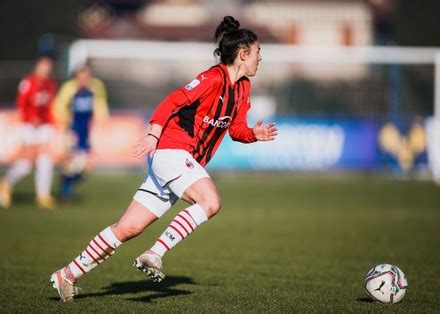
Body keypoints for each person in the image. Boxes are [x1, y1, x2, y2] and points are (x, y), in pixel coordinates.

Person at [50, 16, 278, 302]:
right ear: (243, 54)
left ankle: (67, 274)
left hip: (177, 160)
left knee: (127, 228)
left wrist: (253, 134)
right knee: (210, 202)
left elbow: (236, 129)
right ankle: (154, 253)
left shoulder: (243, 88)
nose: (260, 58)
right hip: (171, 151)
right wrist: (152, 136)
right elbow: (172, 101)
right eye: (258, 52)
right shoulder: (211, 78)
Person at [0, 56, 57, 209]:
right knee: (27, 163)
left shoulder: (50, 85)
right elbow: (21, 104)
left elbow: (49, 107)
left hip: (44, 125)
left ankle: (43, 195)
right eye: (43, 67)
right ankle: (6, 183)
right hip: (28, 126)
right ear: (37, 67)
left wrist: (52, 123)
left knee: (45, 160)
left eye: (48, 67)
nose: (45, 70)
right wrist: (31, 118)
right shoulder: (28, 82)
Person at [52, 64, 109, 201]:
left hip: (87, 132)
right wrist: (64, 121)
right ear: (76, 77)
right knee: (74, 163)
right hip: (73, 132)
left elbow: (100, 103)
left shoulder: (96, 86)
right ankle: (65, 192)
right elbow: (58, 106)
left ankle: (65, 182)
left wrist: (103, 118)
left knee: (87, 168)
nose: (84, 79)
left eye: (87, 76)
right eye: (81, 77)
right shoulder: (69, 88)